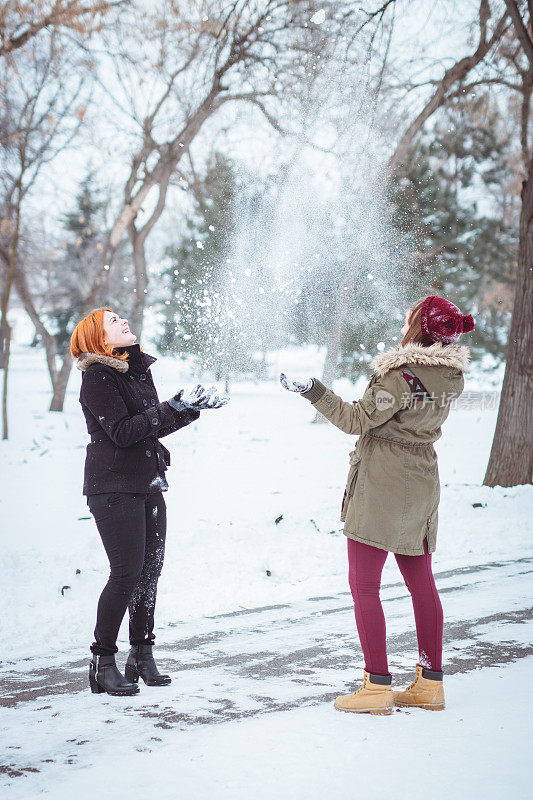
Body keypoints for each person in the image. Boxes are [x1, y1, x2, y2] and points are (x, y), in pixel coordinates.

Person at [280, 295, 475, 714]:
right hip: (423, 481)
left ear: (420, 326)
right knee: (421, 583)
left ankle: (376, 686)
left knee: (364, 585)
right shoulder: (450, 377)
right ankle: (430, 683)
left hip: (383, 484)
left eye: (412, 316)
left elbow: (356, 420)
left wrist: (315, 392)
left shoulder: (402, 377)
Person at [70, 307, 229, 696]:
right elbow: (124, 433)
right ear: (97, 338)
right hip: (113, 487)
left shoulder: (135, 370)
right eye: (113, 321)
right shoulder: (97, 376)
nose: (123, 321)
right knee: (125, 574)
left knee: (149, 571)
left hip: (149, 481)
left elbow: (151, 425)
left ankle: (141, 654)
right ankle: (102, 662)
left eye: (121, 317)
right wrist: (173, 406)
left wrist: (190, 407)